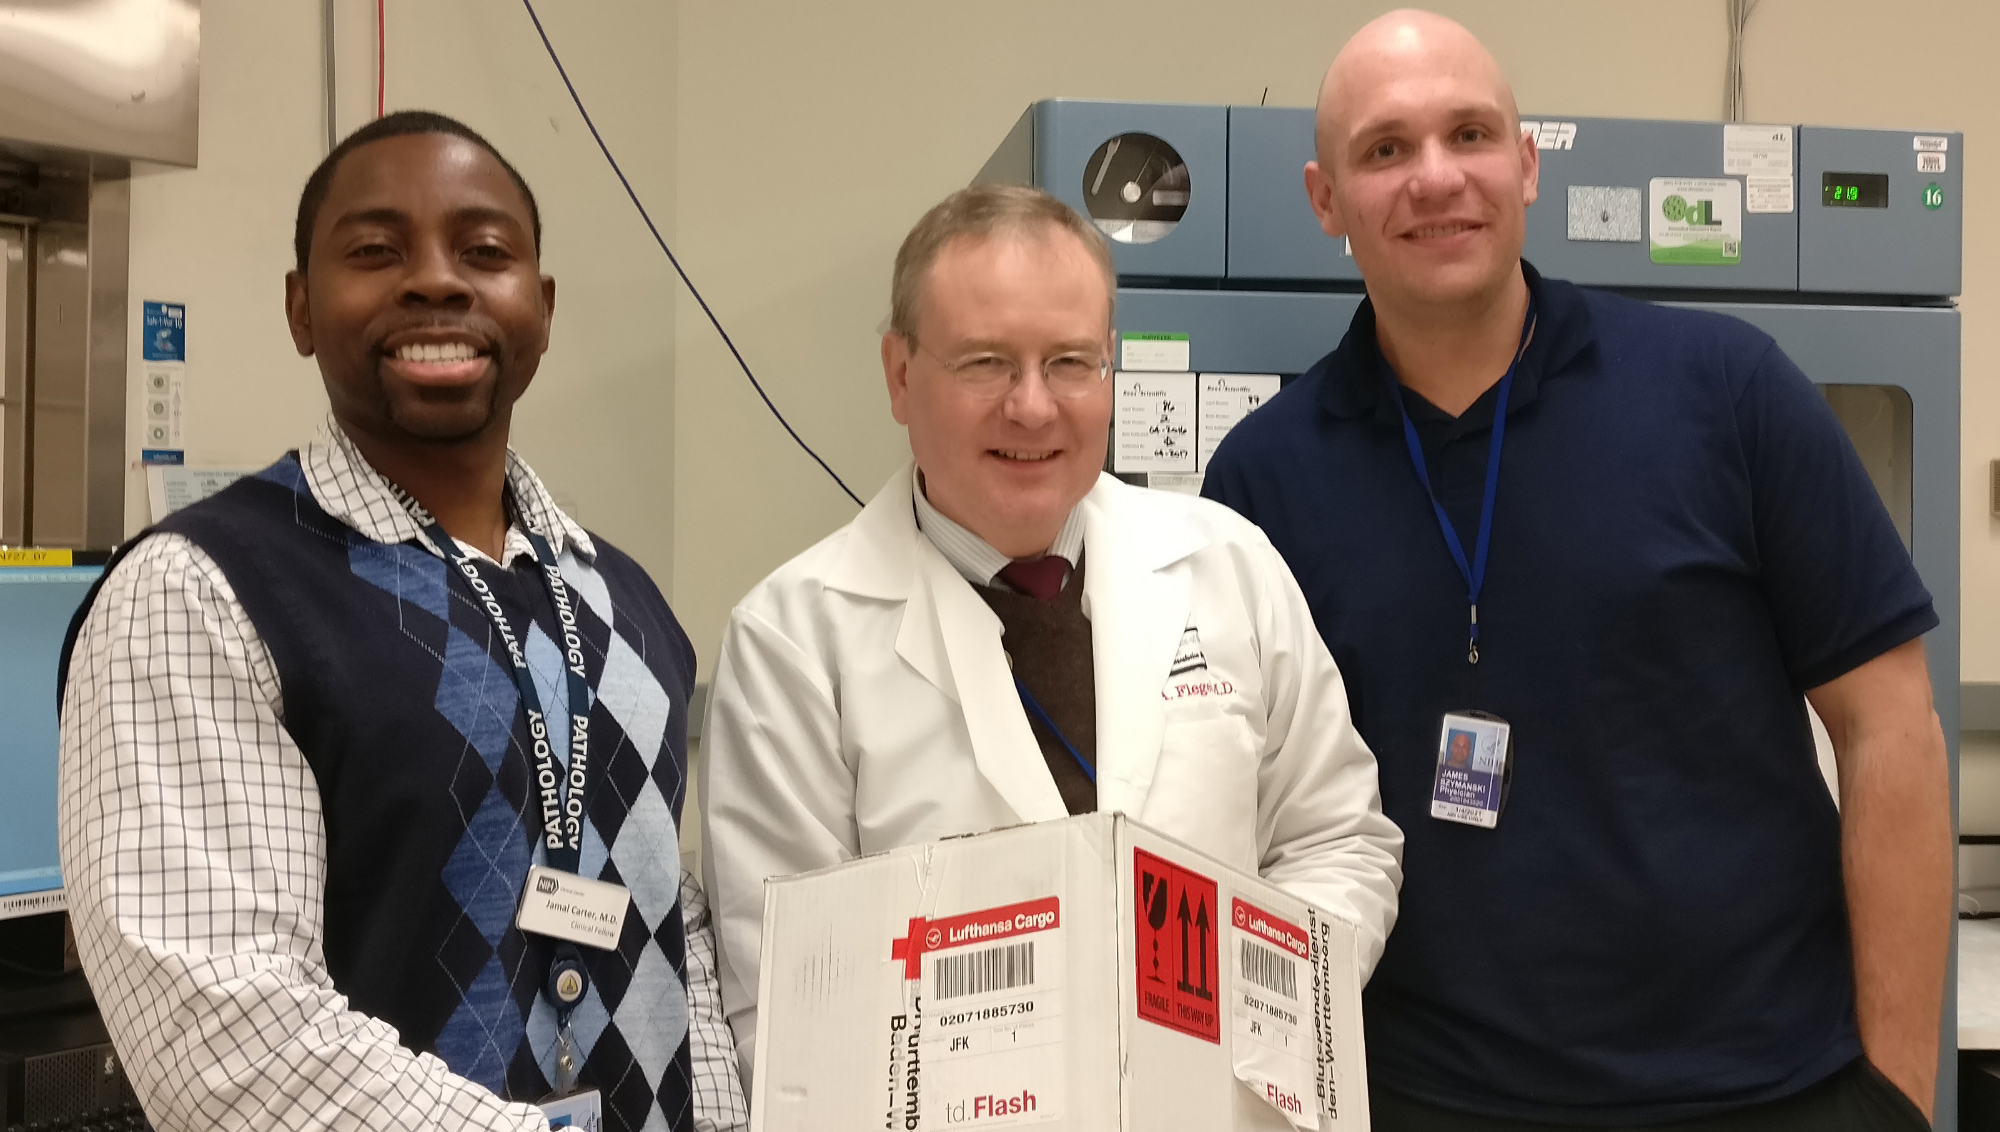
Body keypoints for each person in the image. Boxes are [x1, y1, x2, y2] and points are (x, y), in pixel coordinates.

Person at [1202, 11, 1952, 1131]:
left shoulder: (1727, 392)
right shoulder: (1263, 480)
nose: (1434, 178)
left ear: (1525, 164)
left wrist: (1892, 1095)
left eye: (1468, 133)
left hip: (1763, 1090)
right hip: (1417, 1096)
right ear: (1324, 200)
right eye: (1384, 149)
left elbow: (1889, 728)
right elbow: (1250, 820)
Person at [57, 111, 745, 1132]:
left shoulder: (622, 600)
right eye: (375, 251)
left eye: (485, 251)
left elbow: (670, 928)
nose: (434, 280)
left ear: (541, 308)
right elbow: (225, 1042)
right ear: (300, 308)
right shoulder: (198, 592)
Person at [699, 183, 1404, 1082]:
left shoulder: (1227, 564)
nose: (1033, 408)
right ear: (900, 376)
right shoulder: (794, 640)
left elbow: (1337, 840)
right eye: (986, 363)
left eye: (1070, 362)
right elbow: (791, 1004)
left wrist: (1250, 1019)